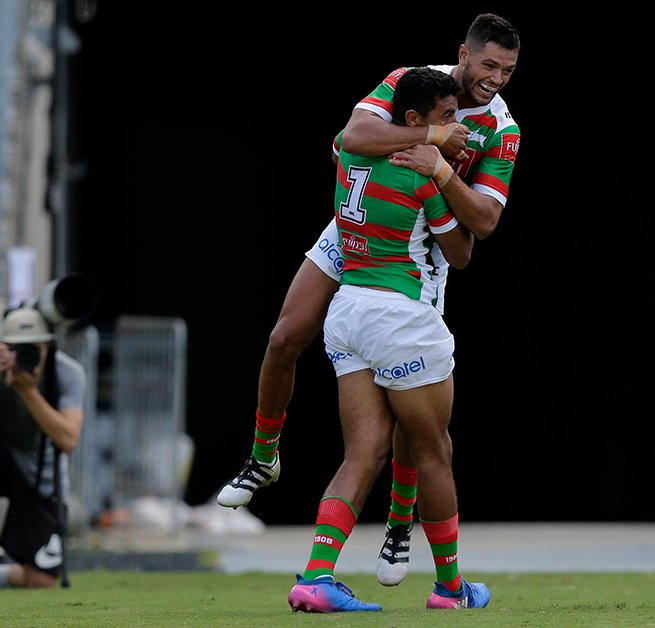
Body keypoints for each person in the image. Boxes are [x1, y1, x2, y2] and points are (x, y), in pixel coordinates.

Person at [216, 12, 520, 587]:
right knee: (285, 336)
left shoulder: (503, 129)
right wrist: (433, 137)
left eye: (507, 70)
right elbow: (350, 138)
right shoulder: (412, 79)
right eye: (488, 65)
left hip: (419, 242)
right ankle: (264, 457)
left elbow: (483, 223)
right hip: (356, 222)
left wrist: (441, 173)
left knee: (413, 411)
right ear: (464, 53)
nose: (496, 79)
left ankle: (399, 526)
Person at [286, 67, 486, 613]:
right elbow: (463, 253)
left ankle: (316, 577)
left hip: (347, 311)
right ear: (416, 121)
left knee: (362, 452)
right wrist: (445, 172)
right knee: (434, 452)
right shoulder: (422, 176)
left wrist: (430, 140)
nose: (456, 127)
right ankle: (450, 590)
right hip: (401, 319)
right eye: (447, 118)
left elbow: (345, 141)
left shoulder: (348, 154)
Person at [0, 307, 85, 588]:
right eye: (16, 348)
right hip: (5, 455)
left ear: (48, 344)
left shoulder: (67, 372)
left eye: (34, 348)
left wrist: (28, 391)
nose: (26, 356)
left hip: (41, 476)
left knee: (41, 580)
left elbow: (68, 439)